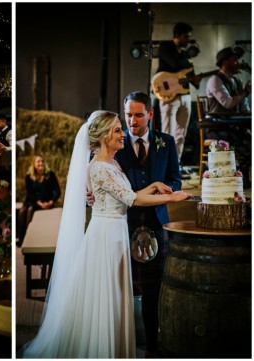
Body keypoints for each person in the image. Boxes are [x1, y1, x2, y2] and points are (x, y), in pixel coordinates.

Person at [21, 110, 188, 358]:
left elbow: (126, 192)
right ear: (103, 136)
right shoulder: (98, 167)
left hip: (117, 232)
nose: (123, 134)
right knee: (104, 300)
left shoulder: (113, 162)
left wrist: (153, 186)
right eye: (117, 130)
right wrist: (172, 197)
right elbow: (132, 199)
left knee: (116, 296)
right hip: (106, 237)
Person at [114, 91, 182, 357]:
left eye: (138, 115)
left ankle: (153, 346)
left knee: (154, 291)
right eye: (128, 115)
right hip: (123, 225)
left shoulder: (166, 142)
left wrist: (163, 192)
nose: (132, 121)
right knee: (122, 288)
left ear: (150, 115)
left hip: (156, 224)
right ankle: (123, 345)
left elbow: (175, 179)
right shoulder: (114, 144)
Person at [156, 22, 200, 163]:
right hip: (169, 95)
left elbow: (195, 82)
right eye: (186, 36)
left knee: (181, 134)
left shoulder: (185, 56)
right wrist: (187, 58)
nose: (188, 40)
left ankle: (175, 164)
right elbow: (174, 63)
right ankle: (163, 164)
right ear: (177, 36)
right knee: (166, 132)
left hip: (185, 95)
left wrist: (196, 79)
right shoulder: (166, 47)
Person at [15, 155, 61, 245]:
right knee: (22, 211)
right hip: (33, 200)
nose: (41, 163)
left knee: (30, 210)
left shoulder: (50, 175)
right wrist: (39, 203)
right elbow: (29, 193)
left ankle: (27, 236)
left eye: (42, 161)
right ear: (34, 164)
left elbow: (58, 191)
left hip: (47, 201)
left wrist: (50, 202)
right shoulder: (29, 176)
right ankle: (20, 236)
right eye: (38, 161)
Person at [206, 47, 251, 115]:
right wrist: (244, 92)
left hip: (234, 122)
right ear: (225, 63)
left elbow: (244, 107)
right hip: (218, 123)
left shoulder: (237, 81)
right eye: (235, 60)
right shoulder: (215, 80)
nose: (238, 64)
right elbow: (228, 104)